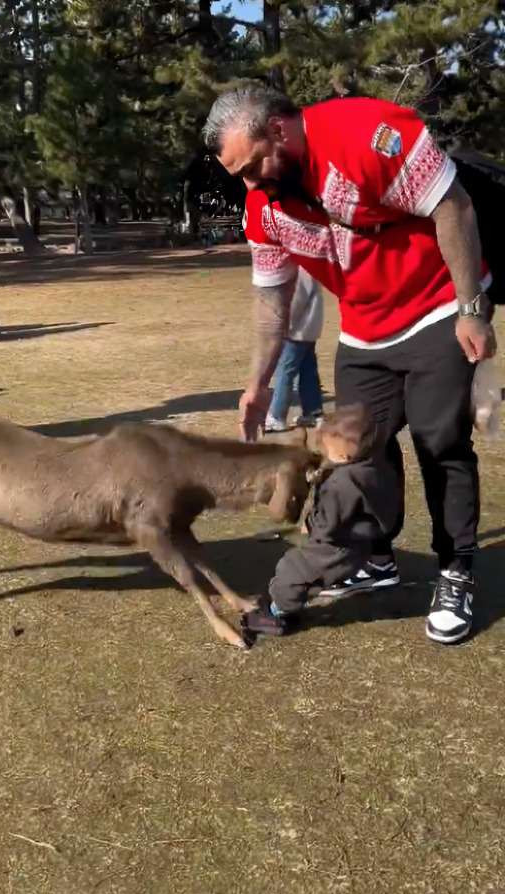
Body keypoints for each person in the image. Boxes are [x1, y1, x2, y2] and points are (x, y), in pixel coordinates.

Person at [202, 85, 495, 644]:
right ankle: (376, 556)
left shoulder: (367, 135)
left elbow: (454, 208)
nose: (249, 183)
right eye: (237, 173)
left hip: (437, 305)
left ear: (280, 131)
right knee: (358, 453)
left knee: (441, 441)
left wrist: (472, 311)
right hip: (364, 327)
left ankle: (455, 570)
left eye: (253, 165)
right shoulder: (264, 205)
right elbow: (271, 302)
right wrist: (257, 385)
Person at [242, 403, 400, 639]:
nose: (325, 453)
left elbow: (327, 524)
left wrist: (310, 524)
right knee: (305, 575)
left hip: (335, 547)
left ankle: (277, 614)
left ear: (344, 455)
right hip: (360, 540)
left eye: (329, 450)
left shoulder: (342, 486)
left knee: (293, 571)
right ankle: (288, 604)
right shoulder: (374, 466)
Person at [264, 265, 324, 432]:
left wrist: (283, 324)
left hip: (297, 330)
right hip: (309, 328)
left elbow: (296, 300)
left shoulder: (300, 268)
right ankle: (313, 411)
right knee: (307, 369)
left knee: (286, 370)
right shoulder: (308, 265)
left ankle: (277, 415)